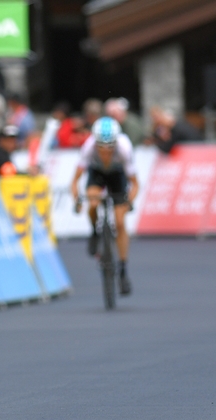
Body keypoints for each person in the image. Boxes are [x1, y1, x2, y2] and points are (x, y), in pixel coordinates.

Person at [70, 117, 138, 295]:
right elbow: (75, 180)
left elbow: (135, 183)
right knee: (93, 202)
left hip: (117, 175)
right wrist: (77, 199)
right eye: (101, 147)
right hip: (97, 173)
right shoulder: (88, 148)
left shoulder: (124, 148)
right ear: (95, 142)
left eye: (110, 148)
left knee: (120, 222)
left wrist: (129, 200)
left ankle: (123, 270)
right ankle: (95, 231)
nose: (106, 152)